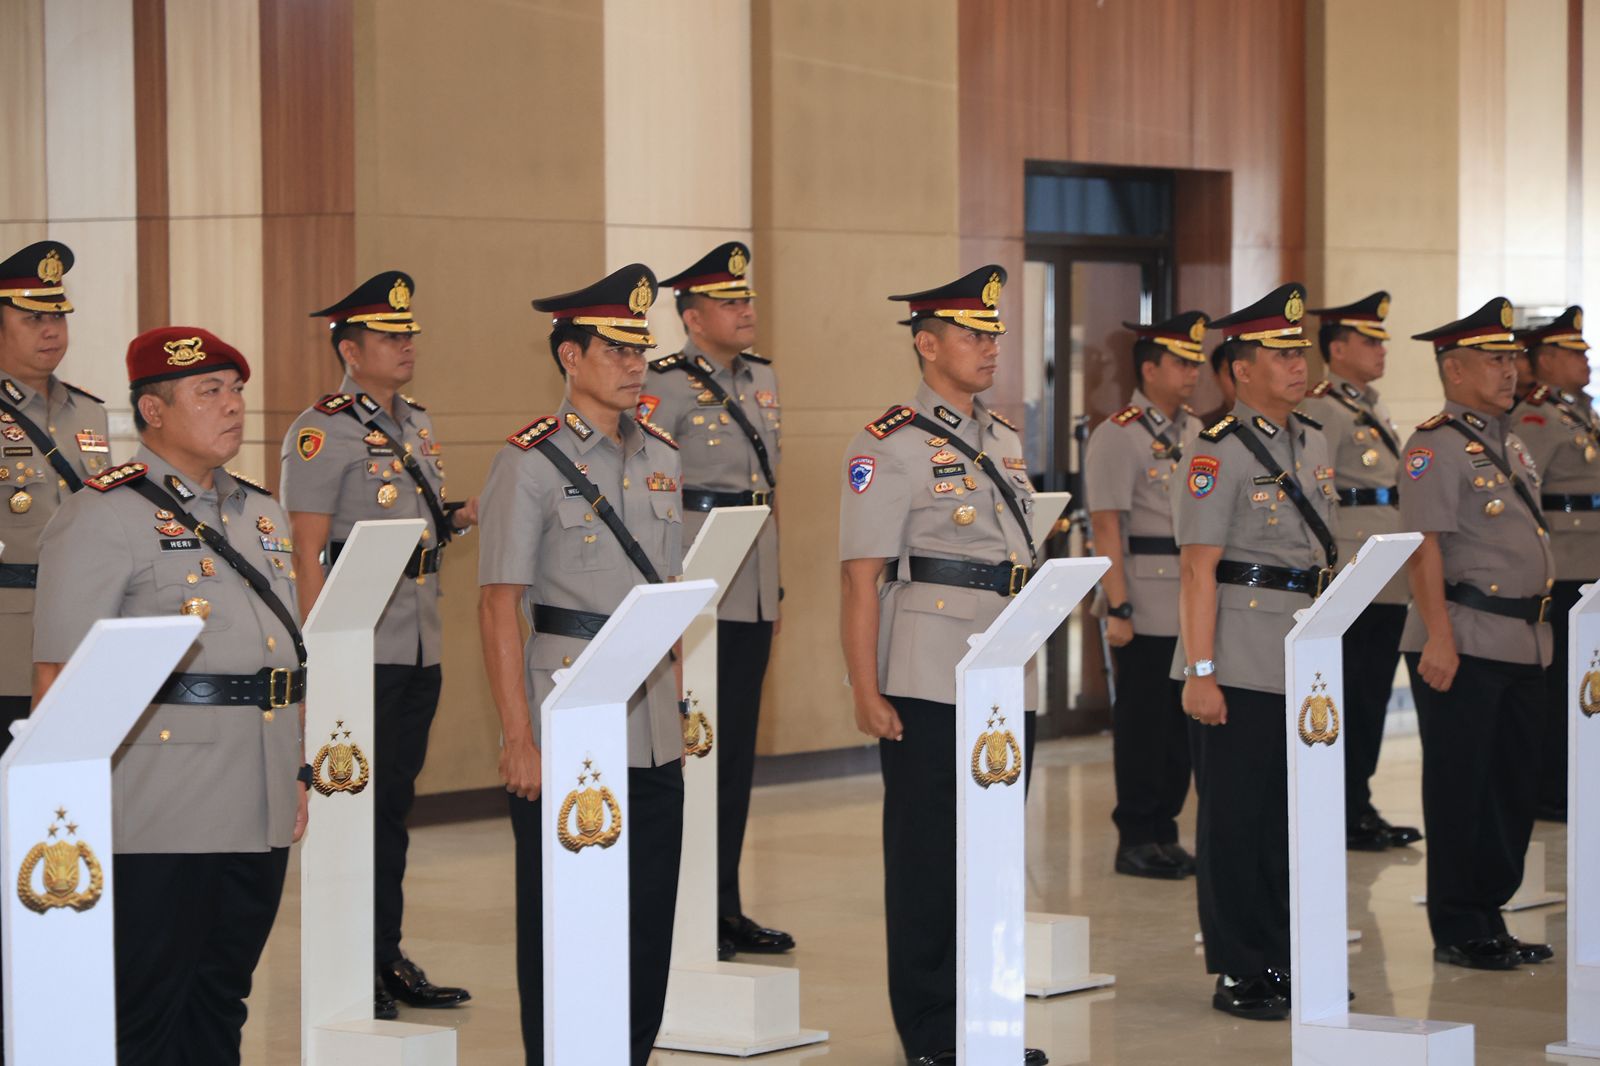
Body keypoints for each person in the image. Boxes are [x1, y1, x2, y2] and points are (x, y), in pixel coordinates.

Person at [33, 326, 308, 1064]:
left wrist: (296, 770)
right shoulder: (102, 513)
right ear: (153, 411)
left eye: (236, 389)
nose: (233, 404)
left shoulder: (261, 512)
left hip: (259, 792)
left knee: (223, 995)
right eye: (209, 391)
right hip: (159, 801)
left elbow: (285, 659)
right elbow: (58, 678)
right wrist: (61, 815)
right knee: (145, 1008)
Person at [838, 265, 1046, 1066]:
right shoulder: (887, 443)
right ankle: (931, 1035)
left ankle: (989, 1027)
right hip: (926, 675)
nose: (989, 348)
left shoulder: (1005, 438)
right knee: (929, 861)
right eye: (971, 335)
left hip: (1005, 668)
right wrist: (865, 687)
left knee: (995, 859)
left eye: (994, 335)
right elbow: (861, 578)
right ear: (927, 345)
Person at [478, 264, 686, 1066]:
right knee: (564, 924)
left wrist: (681, 708)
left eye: (641, 350)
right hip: (566, 719)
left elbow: (668, 595)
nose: (635, 365)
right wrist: (517, 738)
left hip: (652, 722)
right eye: (616, 350)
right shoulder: (530, 462)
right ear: (570, 356)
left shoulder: (663, 456)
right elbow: (498, 605)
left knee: (647, 923)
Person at [280, 271, 477, 1017]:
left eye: (409, 335)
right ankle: (349, 960)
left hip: (417, 637)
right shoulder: (321, 429)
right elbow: (305, 552)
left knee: (391, 806)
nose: (406, 346)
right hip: (358, 646)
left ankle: (385, 953)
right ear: (350, 349)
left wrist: (464, 514)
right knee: (349, 808)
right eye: (390, 337)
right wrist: (318, 653)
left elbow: (416, 525)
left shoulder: (415, 422)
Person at [1172, 283, 1336, 1020]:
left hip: (1301, 653)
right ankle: (1239, 969)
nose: (1299, 365)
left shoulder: (1314, 439)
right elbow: (1197, 569)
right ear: (1241, 370)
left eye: (1300, 352)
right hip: (1236, 657)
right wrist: (1201, 672)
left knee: (1287, 820)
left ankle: (1283, 956)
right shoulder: (1216, 451)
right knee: (1235, 822)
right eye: (1281, 354)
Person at [644, 241, 792, 959]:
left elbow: (770, 489)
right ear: (693, 317)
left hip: (751, 583)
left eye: (747, 298)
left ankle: (725, 904)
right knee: (692, 751)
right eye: (729, 302)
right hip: (696, 586)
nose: (745, 310)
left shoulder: (763, 377)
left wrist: (776, 584)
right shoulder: (662, 385)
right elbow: (651, 496)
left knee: (733, 757)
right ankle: (685, 907)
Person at [1401, 297, 1555, 970]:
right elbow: (1423, 547)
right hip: (1464, 640)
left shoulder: (1508, 440)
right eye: (1493, 361)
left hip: (1522, 642)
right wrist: (1438, 637)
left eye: (1512, 359)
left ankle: (1490, 913)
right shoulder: (1433, 446)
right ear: (1454, 369)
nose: (1509, 371)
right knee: (1461, 788)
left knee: (1512, 787)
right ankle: (1460, 926)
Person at [1083, 310, 1204, 880]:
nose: (1193, 373)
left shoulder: (1198, 431)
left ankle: (1165, 831)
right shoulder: (1118, 433)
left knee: (1181, 729)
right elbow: (1106, 526)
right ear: (1150, 369)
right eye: (1181, 363)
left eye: (1196, 364)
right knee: (1143, 727)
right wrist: (1119, 606)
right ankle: (1135, 836)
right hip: (1144, 601)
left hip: (1191, 601)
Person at [1300, 292, 1422, 851]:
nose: (1381, 351)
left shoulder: (1369, 405)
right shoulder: (1325, 407)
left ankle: (1359, 801)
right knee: (1350, 694)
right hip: (1351, 573)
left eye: (1382, 342)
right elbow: (1314, 495)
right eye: (1369, 342)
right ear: (1338, 348)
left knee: (1371, 694)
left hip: (1385, 573)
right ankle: (1340, 806)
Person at [0, 241, 109, 747]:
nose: (51, 331)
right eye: (32, 319)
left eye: (58, 317)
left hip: (82, 633)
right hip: (10, 645)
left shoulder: (88, 412)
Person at [1509, 305, 1598, 823]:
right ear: (1545, 360)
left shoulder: (1580, 411)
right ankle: (1550, 785)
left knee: (1588, 676)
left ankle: (1580, 775)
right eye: (1573, 352)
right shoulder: (1536, 417)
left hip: (1590, 564)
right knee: (1562, 679)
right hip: (1563, 567)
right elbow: (1525, 494)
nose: (1586, 361)